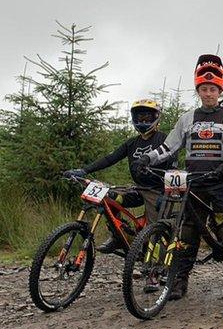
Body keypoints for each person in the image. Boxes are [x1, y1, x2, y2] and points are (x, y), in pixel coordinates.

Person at [136, 54, 223, 301]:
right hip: (192, 183)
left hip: (221, 181)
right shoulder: (187, 118)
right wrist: (148, 158)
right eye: (204, 89)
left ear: (220, 90)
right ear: (198, 90)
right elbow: (168, 147)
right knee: (186, 234)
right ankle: (179, 281)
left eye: (213, 89)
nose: (208, 93)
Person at [64, 99, 175, 253]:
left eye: (147, 118)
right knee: (109, 197)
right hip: (137, 189)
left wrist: (167, 192)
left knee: (154, 233)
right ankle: (119, 235)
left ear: (156, 118)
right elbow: (110, 158)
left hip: (157, 191)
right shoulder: (131, 143)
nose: (143, 121)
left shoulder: (164, 139)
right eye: (139, 117)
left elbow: (173, 166)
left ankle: (158, 266)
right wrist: (84, 170)